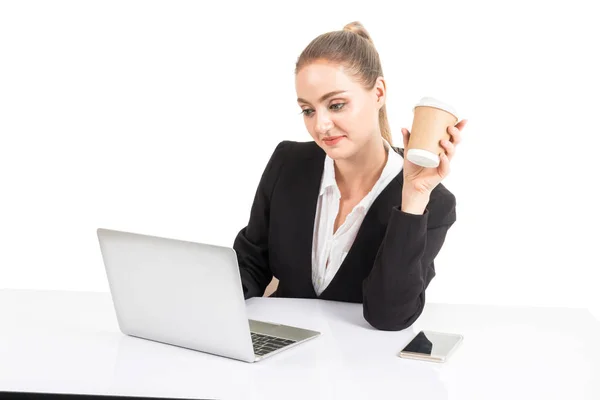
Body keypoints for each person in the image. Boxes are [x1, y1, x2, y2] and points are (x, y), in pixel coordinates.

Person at [233, 21, 467, 331]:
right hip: (277, 354)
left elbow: (389, 316)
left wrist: (413, 197)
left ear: (378, 92)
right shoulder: (288, 163)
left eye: (336, 105)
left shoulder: (432, 203)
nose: (321, 125)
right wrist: (205, 304)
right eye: (308, 110)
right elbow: (250, 264)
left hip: (361, 369)